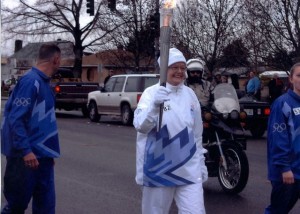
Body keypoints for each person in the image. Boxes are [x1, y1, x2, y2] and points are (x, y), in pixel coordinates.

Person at [133, 48, 207, 214]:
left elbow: (196, 134)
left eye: (183, 68)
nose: (180, 71)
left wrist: (201, 163)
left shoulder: (190, 95)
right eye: (175, 67)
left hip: (189, 168)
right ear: (164, 69)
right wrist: (153, 107)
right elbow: (141, 126)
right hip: (159, 168)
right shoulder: (150, 94)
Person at [1, 43, 61, 214]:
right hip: (23, 159)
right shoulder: (30, 82)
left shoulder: (45, 84)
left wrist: (47, 152)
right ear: (56, 60)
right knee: (16, 207)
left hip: (43, 158)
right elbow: (16, 119)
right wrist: (26, 151)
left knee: (46, 208)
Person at [264, 62, 300, 214]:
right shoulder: (282, 104)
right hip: (287, 173)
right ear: (291, 79)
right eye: (299, 75)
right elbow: (278, 139)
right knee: (278, 211)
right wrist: (285, 168)